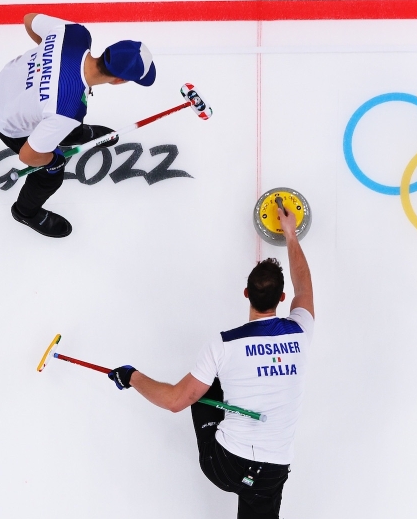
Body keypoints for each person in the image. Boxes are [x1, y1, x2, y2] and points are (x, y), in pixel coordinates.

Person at [107, 207, 314, 519]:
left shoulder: (224, 344)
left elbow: (176, 401)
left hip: (225, 466)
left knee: (202, 388)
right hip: (272, 470)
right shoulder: (300, 331)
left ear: (246, 294)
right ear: (282, 298)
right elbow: (304, 284)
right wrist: (290, 235)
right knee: (262, 496)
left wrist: (132, 376)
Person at [0, 13, 156, 237]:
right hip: (8, 122)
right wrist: (54, 161)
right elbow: (28, 156)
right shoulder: (67, 109)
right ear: (120, 80)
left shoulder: (75, 34)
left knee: (61, 119)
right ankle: (25, 212)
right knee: (50, 175)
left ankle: (77, 134)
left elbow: (30, 19)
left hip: (8, 83)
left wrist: (46, 60)